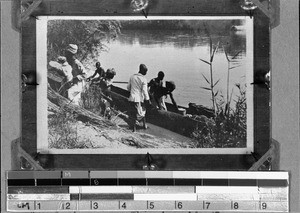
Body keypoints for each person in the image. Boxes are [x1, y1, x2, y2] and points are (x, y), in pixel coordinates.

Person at [127, 64, 151, 132]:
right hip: (139, 99)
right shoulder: (144, 79)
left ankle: (143, 125)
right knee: (140, 113)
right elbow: (144, 91)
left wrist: (132, 91)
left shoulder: (132, 77)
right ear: (142, 70)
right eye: (145, 71)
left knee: (134, 113)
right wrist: (148, 99)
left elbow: (128, 87)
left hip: (131, 98)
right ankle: (134, 129)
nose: (146, 73)